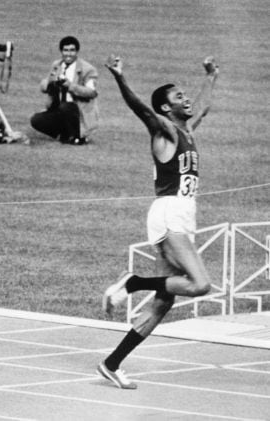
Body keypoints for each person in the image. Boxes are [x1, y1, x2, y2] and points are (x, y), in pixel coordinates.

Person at [98, 54, 219, 389]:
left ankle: (111, 363)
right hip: (170, 213)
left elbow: (204, 105)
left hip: (179, 215)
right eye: (179, 97)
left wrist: (211, 76)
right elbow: (141, 109)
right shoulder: (164, 131)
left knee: (163, 303)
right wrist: (120, 77)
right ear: (167, 109)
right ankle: (133, 282)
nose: (187, 98)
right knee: (201, 285)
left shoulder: (187, 129)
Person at [30, 36, 98, 145]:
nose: (68, 54)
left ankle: (76, 135)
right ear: (61, 51)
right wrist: (50, 84)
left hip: (77, 111)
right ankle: (63, 134)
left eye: (72, 50)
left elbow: (91, 93)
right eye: (66, 50)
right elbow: (44, 84)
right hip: (58, 108)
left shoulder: (88, 69)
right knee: (36, 120)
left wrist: (70, 86)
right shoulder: (57, 65)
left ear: (77, 52)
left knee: (66, 106)